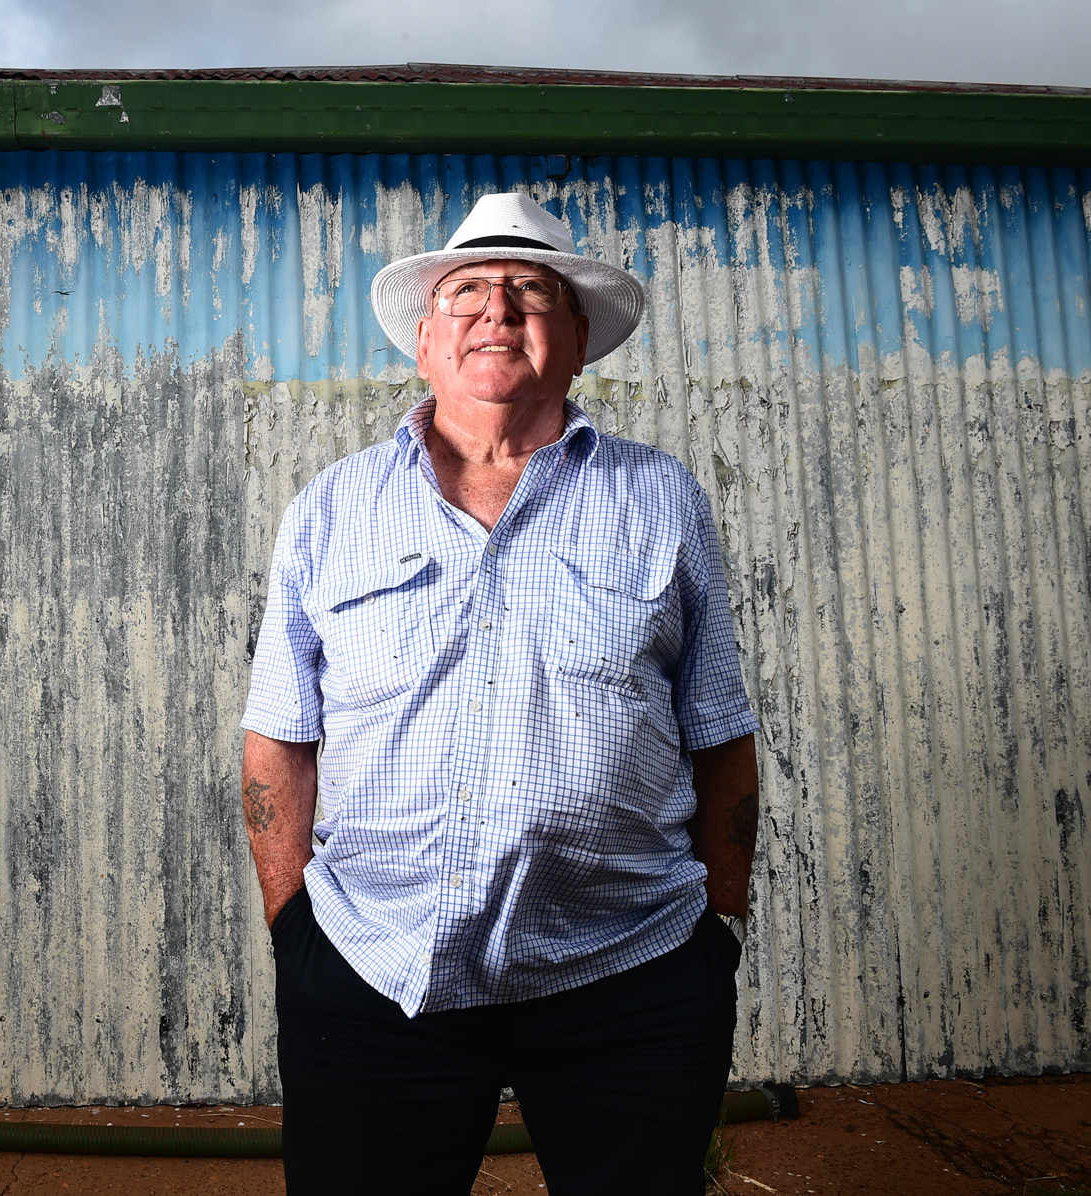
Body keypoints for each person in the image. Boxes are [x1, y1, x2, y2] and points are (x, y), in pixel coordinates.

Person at [239, 191, 761, 1196]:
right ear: (426, 342)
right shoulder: (332, 505)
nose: (497, 309)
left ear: (576, 341)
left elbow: (719, 732)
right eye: (467, 291)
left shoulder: (660, 497)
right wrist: (295, 926)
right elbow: (280, 739)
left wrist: (717, 928)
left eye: (530, 292)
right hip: (374, 965)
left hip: (631, 966)